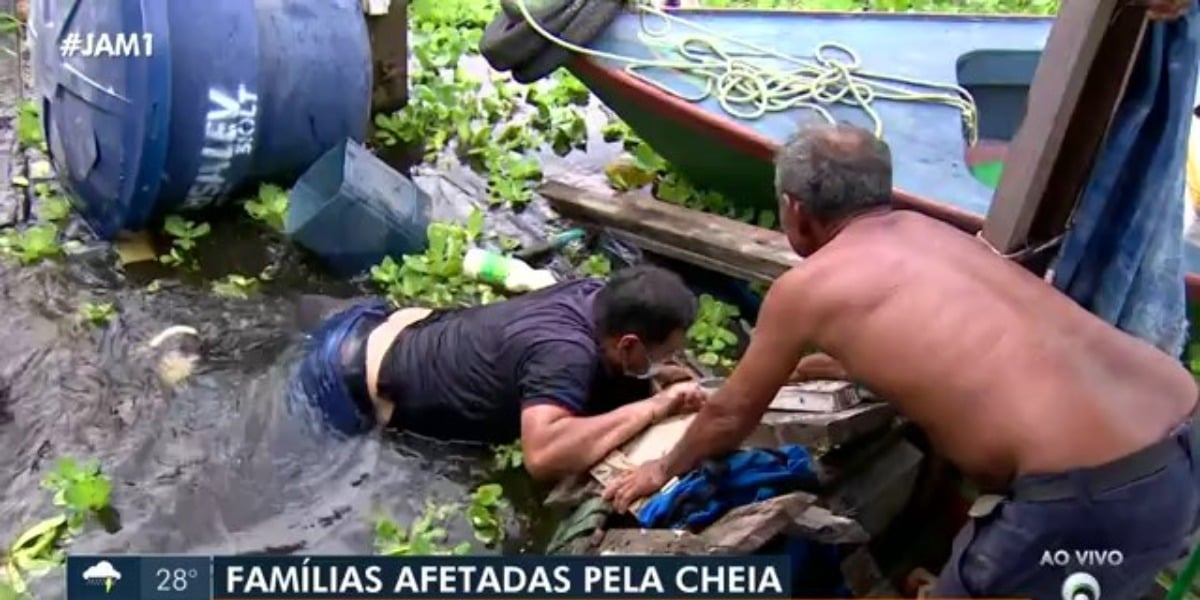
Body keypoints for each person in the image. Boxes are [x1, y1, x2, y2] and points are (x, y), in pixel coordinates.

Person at [603, 122, 1200, 598]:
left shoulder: (808, 288)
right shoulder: (929, 229)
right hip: (1180, 426)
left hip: (1094, 497)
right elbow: (938, 350)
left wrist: (661, 470)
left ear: (794, 209)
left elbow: (730, 417)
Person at [289, 264, 706, 482]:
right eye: (663, 353)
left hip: (375, 325)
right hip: (342, 384)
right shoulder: (564, 354)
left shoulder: (593, 295)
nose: (670, 360)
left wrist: (649, 376)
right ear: (628, 344)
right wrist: (655, 405)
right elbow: (542, 455)